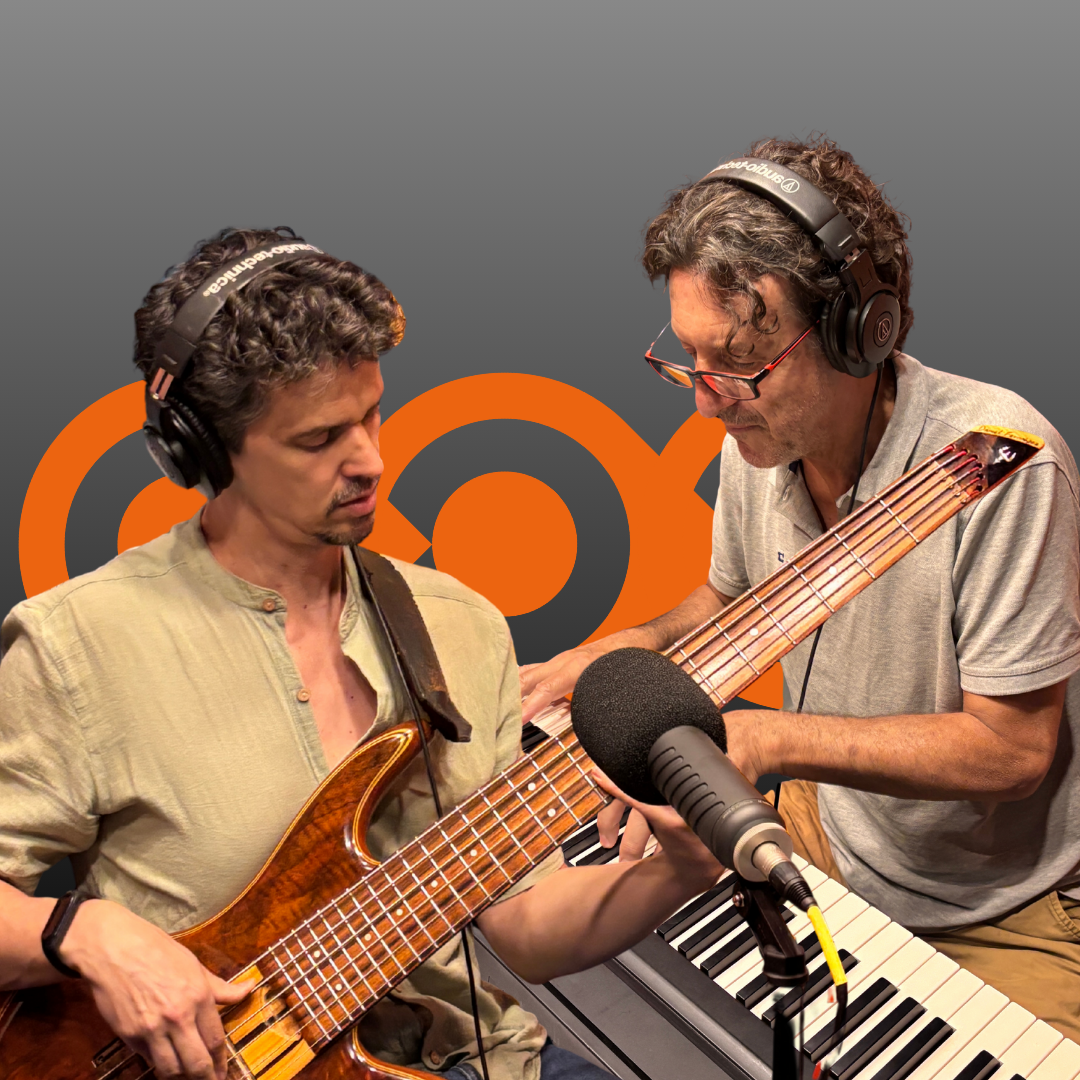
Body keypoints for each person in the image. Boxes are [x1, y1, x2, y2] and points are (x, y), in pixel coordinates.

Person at [0, 228, 726, 1080]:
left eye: (372, 414)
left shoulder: (459, 627)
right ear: (207, 448)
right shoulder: (76, 646)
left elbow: (526, 930)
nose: (370, 461)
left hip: (471, 1059)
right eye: (317, 440)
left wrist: (678, 869)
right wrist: (83, 932)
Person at [521, 136, 1080, 1040]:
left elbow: (1012, 752)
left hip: (996, 905)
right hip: (831, 832)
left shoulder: (996, 459)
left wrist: (768, 738)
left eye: (739, 364)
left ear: (861, 333)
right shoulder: (758, 439)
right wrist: (625, 650)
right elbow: (732, 603)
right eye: (690, 359)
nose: (706, 401)